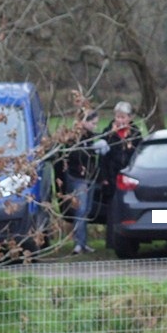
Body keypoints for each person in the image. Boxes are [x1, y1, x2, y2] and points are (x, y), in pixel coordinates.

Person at [63, 108, 107, 254]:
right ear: (84, 122)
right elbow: (75, 155)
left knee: (86, 210)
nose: (95, 126)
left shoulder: (90, 136)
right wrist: (93, 150)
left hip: (89, 177)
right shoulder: (73, 137)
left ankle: (83, 243)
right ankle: (78, 243)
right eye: (93, 123)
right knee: (80, 211)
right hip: (77, 177)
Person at [98, 101, 143, 205]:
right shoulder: (107, 133)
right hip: (111, 175)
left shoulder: (136, 134)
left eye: (123, 117)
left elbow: (139, 155)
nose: (120, 120)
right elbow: (102, 158)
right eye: (118, 117)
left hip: (129, 176)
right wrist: (104, 177)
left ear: (129, 118)